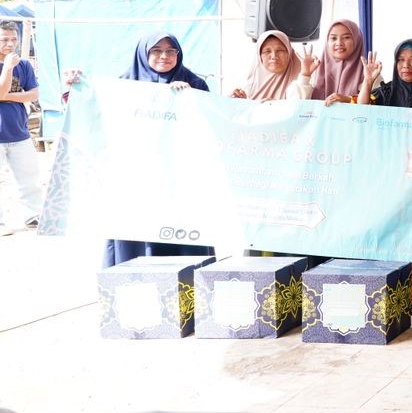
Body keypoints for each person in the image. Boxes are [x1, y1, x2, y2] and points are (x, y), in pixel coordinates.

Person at [100, 32, 214, 265]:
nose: (164, 56)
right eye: (157, 50)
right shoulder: (125, 85)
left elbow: (209, 126)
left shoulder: (195, 84)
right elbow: (98, 116)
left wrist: (188, 99)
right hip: (137, 176)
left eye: (171, 51)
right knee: (137, 234)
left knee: (182, 238)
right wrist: (75, 87)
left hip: (180, 178)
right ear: (144, 53)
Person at [0, 23, 42, 235]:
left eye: (14, 39)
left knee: (30, 177)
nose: (10, 44)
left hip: (19, 131)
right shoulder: (11, 64)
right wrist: (7, 67)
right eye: (4, 39)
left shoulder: (24, 65)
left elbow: (34, 94)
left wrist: (7, 97)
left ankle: (33, 215)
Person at [302, 19, 366, 104]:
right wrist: (305, 75)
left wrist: (348, 100)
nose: (339, 43)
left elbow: (376, 101)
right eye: (333, 38)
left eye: (346, 37)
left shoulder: (368, 72)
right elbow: (296, 105)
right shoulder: (314, 69)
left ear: (357, 40)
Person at [358, 39, 412, 109]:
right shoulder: (387, 92)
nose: (406, 65)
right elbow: (361, 109)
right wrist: (368, 81)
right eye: (401, 59)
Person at [231, 31, 305, 100]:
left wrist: (305, 77)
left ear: (289, 53)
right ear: (260, 57)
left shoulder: (304, 80)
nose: (274, 56)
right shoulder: (250, 87)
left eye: (280, 50)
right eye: (267, 51)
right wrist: (239, 102)